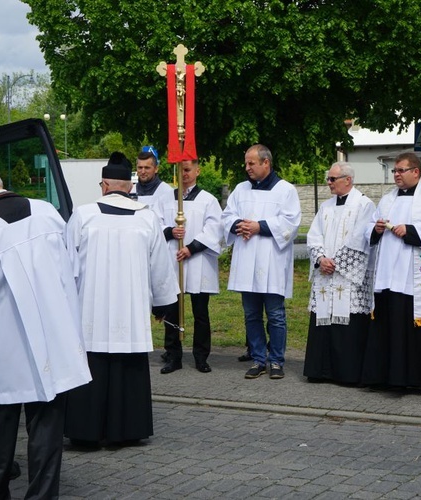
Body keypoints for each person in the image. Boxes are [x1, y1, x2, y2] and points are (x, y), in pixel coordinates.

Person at [0, 163, 92, 499]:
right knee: (47, 424)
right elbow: (71, 269)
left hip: (6, 341)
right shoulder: (47, 213)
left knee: (0, 423)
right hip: (54, 335)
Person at [64, 152, 179, 446]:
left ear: (103, 185)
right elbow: (161, 268)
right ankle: (125, 430)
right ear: (129, 186)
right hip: (130, 311)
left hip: (90, 310)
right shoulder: (147, 218)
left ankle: (86, 431)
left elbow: (66, 264)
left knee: (92, 365)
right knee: (127, 367)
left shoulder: (83, 215)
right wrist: (163, 304)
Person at [361, 152, 421, 398]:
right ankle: (389, 378)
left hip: (417, 278)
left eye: (401, 170)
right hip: (389, 275)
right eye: (395, 171)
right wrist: (377, 228)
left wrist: (410, 230)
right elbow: (368, 227)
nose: (397, 175)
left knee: (419, 331)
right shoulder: (387, 199)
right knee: (389, 327)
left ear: (416, 172)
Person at [222, 144, 301, 379]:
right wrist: (239, 225)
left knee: (276, 314)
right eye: (246, 164)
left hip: (272, 261)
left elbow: (291, 222)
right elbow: (227, 215)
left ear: (266, 163)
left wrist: (258, 226)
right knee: (251, 315)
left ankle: (276, 361)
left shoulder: (285, 190)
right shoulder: (241, 189)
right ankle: (258, 359)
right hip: (247, 259)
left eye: (251, 163)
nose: (247, 168)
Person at [304, 162, 375, 385]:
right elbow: (313, 235)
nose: (329, 183)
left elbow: (360, 239)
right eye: (328, 179)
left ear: (348, 180)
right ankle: (321, 370)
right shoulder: (325, 207)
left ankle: (347, 373)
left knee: (348, 323)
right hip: (326, 275)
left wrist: (337, 263)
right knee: (324, 320)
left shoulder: (364, 205)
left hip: (348, 276)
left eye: (332, 179)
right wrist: (320, 259)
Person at [158, 158, 223, 374]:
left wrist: (191, 248)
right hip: (173, 260)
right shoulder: (167, 198)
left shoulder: (208, 200)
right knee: (172, 310)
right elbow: (154, 223)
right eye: (180, 170)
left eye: (187, 170)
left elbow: (214, 229)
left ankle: (201, 356)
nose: (184, 174)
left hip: (197, 260)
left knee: (200, 311)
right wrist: (170, 232)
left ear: (197, 170)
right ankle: (173, 355)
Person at [133, 146, 174, 215]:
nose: (143, 171)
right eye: (140, 168)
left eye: (147, 168)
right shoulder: (132, 191)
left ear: (156, 169)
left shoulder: (167, 192)